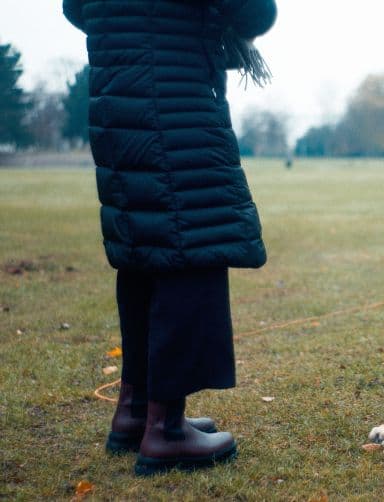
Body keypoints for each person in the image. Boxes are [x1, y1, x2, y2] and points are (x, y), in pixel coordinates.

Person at [62, 0, 277, 476]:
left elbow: (76, 7)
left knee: (147, 248)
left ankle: (136, 412)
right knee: (191, 246)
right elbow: (256, 11)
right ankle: (168, 430)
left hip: (117, 97)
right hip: (174, 99)